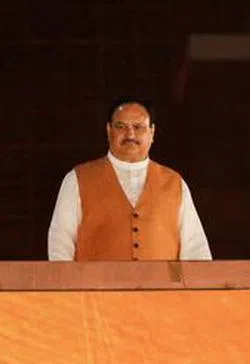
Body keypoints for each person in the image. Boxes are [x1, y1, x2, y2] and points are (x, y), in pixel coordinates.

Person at [47, 97, 211, 261]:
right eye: (121, 126)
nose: (130, 134)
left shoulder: (175, 183)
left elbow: (195, 248)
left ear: (152, 132)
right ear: (108, 130)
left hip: (161, 286)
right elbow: (60, 243)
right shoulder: (77, 179)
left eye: (138, 127)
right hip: (96, 286)